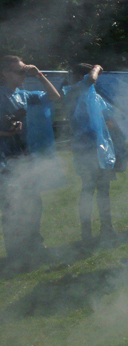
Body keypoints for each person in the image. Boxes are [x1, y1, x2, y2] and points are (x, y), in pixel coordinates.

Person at [0, 55, 61, 268]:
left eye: (25, 71)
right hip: (5, 162)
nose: (24, 75)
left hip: (24, 160)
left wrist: (40, 74)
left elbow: (54, 97)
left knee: (33, 206)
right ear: (4, 73)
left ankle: (35, 249)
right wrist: (6, 133)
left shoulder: (23, 94)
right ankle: (16, 256)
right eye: (20, 71)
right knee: (12, 209)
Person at [63, 63, 118, 247]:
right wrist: (96, 67)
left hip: (99, 149)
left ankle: (107, 229)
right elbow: (91, 79)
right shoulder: (75, 90)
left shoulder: (91, 94)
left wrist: (108, 121)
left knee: (104, 192)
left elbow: (107, 115)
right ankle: (86, 233)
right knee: (88, 190)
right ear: (81, 77)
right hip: (85, 150)